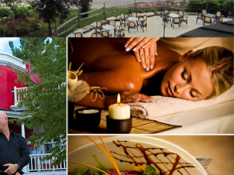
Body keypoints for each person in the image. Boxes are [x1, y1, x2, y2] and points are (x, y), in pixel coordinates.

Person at [69, 39, 234, 109]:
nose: (179, 89)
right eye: (184, 76)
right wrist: (105, 101)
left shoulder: (175, 58)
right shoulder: (130, 81)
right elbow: (61, 85)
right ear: (185, 55)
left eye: (192, 93)